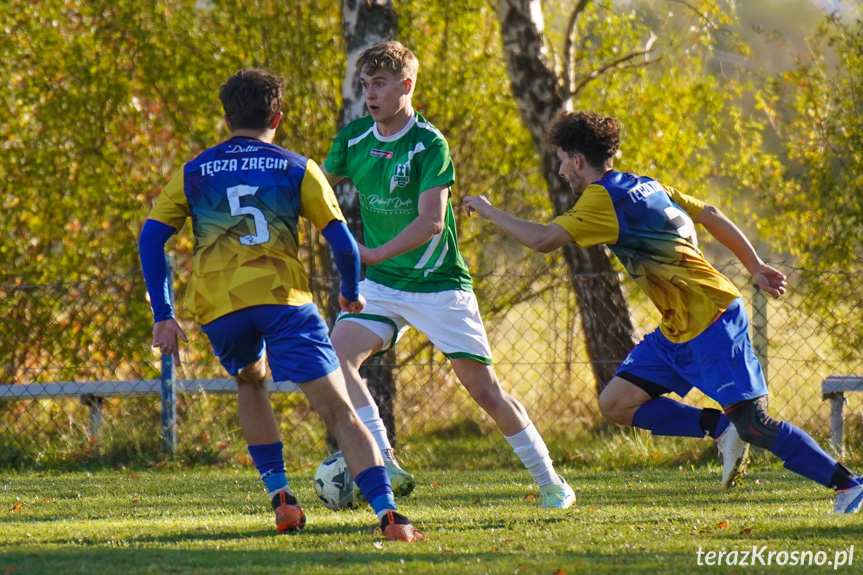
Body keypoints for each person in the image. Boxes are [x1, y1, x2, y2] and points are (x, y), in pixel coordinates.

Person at [463, 110, 863, 514]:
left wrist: (490, 210)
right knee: (616, 403)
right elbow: (711, 214)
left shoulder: (603, 197)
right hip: (678, 328)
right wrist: (754, 265)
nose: (563, 170)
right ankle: (719, 428)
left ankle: (848, 485)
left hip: (711, 320)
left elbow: (545, 239)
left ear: (578, 160)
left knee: (755, 424)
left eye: (563, 160)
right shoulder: (645, 185)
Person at [138, 68, 424, 541]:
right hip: (283, 301)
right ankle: (392, 519)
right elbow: (344, 244)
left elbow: (151, 239)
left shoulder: (193, 171)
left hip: (222, 306)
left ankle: (283, 501)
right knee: (339, 412)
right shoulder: (296, 167)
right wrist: (350, 290)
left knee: (251, 385)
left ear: (227, 117)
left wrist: (164, 315)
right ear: (278, 115)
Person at [319, 41, 574, 509]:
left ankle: (551, 481)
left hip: (439, 285)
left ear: (406, 86)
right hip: (380, 287)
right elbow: (312, 186)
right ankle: (384, 458)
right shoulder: (354, 139)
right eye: (365, 85)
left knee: (484, 391)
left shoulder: (428, 143)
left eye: (379, 84)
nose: (369, 94)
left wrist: (370, 254)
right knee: (337, 357)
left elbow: (431, 221)